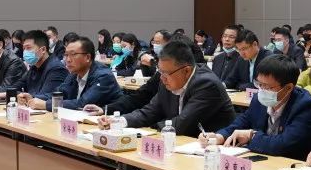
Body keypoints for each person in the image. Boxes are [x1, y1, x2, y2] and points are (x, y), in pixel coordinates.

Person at [203, 55, 311, 159]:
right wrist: (220, 136)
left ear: (288, 88)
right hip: (266, 161)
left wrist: (252, 136)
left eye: (267, 87)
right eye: (259, 84)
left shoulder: (306, 106)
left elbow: (282, 145)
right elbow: (242, 122)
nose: (262, 90)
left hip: (298, 166)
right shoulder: (259, 99)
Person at [100, 40, 235, 135]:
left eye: (165, 73)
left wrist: (148, 129)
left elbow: (182, 125)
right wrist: (119, 121)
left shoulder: (206, 84)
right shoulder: (168, 79)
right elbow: (150, 112)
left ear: (186, 70)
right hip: (180, 144)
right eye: (160, 71)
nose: (161, 78)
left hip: (211, 150)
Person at [20, 37, 121, 111]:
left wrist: (46, 105)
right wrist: (34, 98)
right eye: (66, 55)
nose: (67, 60)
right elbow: (59, 93)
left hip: (108, 125)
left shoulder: (103, 76)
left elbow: (83, 104)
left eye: (73, 54)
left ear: (88, 57)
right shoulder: (74, 73)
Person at [14, 30, 69, 103]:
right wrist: (20, 95)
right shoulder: (34, 66)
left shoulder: (56, 68)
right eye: (24, 48)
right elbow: (15, 87)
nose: (25, 52)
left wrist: (26, 96)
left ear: (43, 49)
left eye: (28, 48)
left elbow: (45, 97)